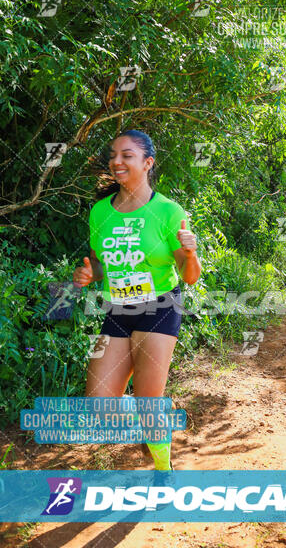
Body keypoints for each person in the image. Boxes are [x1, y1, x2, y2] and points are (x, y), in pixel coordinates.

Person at [73, 129, 201, 474]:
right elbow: (99, 263)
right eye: (114, 155)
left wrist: (190, 253)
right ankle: (152, 415)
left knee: (148, 402)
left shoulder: (168, 212)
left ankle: (163, 468)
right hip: (117, 310)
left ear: (147, 163)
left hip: (159, 308)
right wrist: (89, 273)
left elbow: (189, 276)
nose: (117, 161)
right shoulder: (100, 212)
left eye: (127, 155)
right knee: (98, 405)